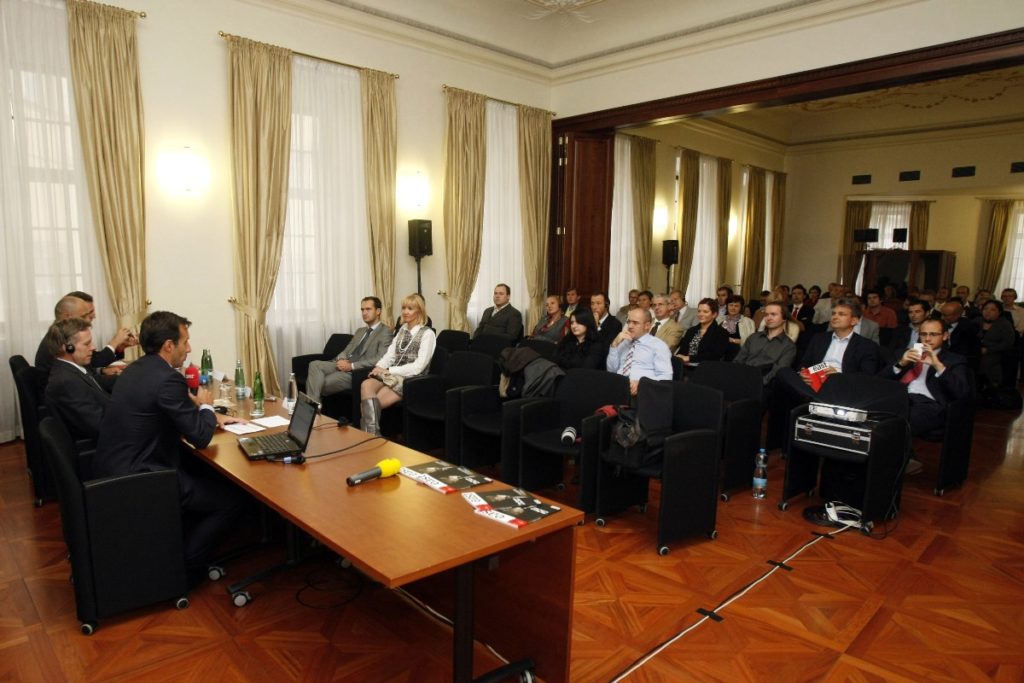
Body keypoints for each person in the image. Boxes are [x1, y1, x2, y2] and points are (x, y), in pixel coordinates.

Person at [93, 311, 247, 584]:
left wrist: (207, 414)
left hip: (115, 466)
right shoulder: (167, 379)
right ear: (168, 345)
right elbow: (200, 437)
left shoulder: (137, 369)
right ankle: (185, 567)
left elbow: (164, 412)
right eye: (185, 342)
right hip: (144, 477)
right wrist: (206, 407)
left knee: (206, 473)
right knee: (232, 499)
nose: (189, 348)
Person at [882, 318, 972, 473]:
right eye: (923, 334)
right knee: (877, 416)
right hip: (902, 398)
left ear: (945, 336)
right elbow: (879, 381)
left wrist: (938, 366)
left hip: (930, 404)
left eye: (933, 334)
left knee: (900, 422)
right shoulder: (907, 354)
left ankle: (892, 463)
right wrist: (900, 364)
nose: (927, 339)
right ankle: (902, 459)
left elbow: (961, 392)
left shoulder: (954, 360)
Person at [360, 293, 437, 436]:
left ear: (419, 311)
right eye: (403, 308)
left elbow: (419, 367)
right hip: (391, 373)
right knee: (366, 385)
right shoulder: (402, 329)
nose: (405, 312)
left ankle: (369, 436)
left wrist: (389, 370)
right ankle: (373, 435)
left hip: (410, 379)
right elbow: (390, 354)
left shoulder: (428, 334)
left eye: (410, 308)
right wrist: (379, 367)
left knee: (369, 405)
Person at [34, 292, 137, 394]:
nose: (88, 319)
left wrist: (103, 370)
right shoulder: (57, 343)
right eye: (83, 316)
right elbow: (86, 379)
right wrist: (115, 342)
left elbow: (89, 368)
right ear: (67, 317)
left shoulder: (64, 337)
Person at [305, 297, 392, 403]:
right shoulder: (360, 331)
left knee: (317, 382)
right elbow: (347, 349)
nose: (364, 313)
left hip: (356, 372)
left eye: (368, 309)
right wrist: (341, 359)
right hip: (342, 364)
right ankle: (314, 407)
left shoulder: (385, 332)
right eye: (362, 309)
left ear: (378, 311)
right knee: (314, 364)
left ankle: (311, 408)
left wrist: (351, 366)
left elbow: (379, 359)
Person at [43, 318, 110, 441]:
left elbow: (97, 385)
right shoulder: (67, 382)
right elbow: (101, 426)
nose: (93, 347)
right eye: (87, 344)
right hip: (103, 445)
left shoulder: (71, 369)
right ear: (67, 348)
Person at [606, 307, 672, 395]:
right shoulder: (624, 341)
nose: (630, 326)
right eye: (628, 322)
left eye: (635, 323)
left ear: (647, 326)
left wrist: (643, 384)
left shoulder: (658, 346)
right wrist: (614, 345)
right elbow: (611, 370)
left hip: (643, 393)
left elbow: (666, 377)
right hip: (618, 388)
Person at [734, 301, 796, 388]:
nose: (768, 318)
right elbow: (738, 361)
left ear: (784, 318)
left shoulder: (789, 346)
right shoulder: (753, 337)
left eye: (773, 314)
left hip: (763, 386)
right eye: (766, 314)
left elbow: (776, 373)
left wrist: (756, 384)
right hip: (741, 379)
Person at [676, 298, 731, 364]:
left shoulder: (721, 333)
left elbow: (715, 356)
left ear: (714, 314)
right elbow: (682, 351)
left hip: (707, 368)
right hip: (685, 366)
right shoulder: (691, 331)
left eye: (705, 312)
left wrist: (689, 358)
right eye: (699, 311)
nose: (700, 314)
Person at [978, 299, 1015, 390]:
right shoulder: (977, 321)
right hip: (976, 352)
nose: (988, 312)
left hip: (995, 354)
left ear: (999, 312)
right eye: (985, 309)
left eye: (992, 310)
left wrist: (988, 350)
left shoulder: (1005, 324)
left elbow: (1008, 343)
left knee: (988, 362)